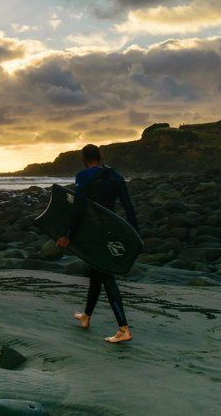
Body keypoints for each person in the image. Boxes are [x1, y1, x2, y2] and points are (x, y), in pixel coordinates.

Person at [55, 144, 139, 344]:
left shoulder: (84, 176)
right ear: (100, 156)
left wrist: (67, 235)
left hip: (94, 233)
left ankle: (123, 329)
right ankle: (86, 316)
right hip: (111, 232)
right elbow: (128, 207)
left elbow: (78, 207)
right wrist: (134, 236)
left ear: (84, 159)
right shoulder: (115, 176)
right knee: (96, 274)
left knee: (106, 276)